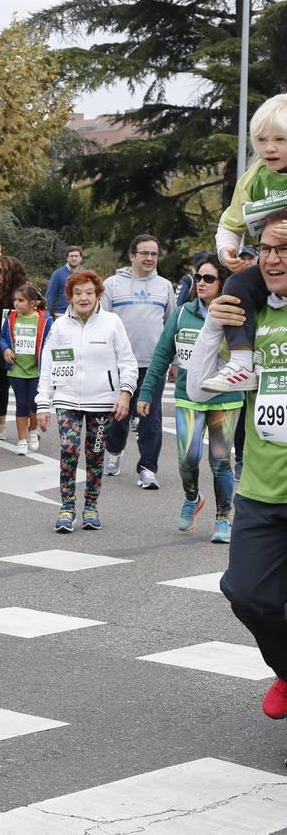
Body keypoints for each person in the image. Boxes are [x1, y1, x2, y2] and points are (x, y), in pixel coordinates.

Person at [186, 215, 287, 723]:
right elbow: (198, 383)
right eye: (267, 248)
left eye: (284, 250)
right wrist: (212, 321)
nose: (272, 258)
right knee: (245, 594)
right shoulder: (251, 311)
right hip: (262, 491)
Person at [137, 256, 241, 542]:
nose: (201, 283)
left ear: (222, 283)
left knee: (220, 461)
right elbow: (161, 354)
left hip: (226, 398)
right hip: (188, 397)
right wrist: (146, 392)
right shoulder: (183, 313)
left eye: (209, 278)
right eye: (198, 278)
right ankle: (193, 498)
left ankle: (223, 517)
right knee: (187, 458)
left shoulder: (234, 313)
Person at [37, 270, 137, 532]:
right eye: (78, 292)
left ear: (98, 295)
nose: (84, 298)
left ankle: (91, 506)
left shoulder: (112, 323)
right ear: (69, 296)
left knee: (95, 454)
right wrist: (43, 404)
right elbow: (47, 366)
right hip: (67, 400)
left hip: (102, 403)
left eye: (89, 292)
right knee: (68, 451)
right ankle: (66, 507)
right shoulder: (59, 326)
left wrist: (125, 392)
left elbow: (127, 362)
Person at [201, 93, 287, 394]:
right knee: (236, 286)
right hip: (275, 267)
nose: (269, 148)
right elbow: (229, 224)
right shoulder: (253, 179)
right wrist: (227, 253)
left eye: (280, 140)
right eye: (261, 140)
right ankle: (240, 362)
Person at [101, 234, 176, 485]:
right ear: (132, 255)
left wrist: (174, 362)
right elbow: (102, 323)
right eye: (144, 253)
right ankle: (113, 451)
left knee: (150, 417)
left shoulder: (165, 286)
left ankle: (147, 468)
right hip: (119, 364)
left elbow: (171, 326)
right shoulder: (112, 284)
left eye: (154, 254)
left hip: (154, 364)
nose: (150, 258)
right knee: (118, 415)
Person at [0, 283, 52, 455]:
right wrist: (6, 349)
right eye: (15, 300)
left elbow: (52, 342)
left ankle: (32, 431)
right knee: (21, 404)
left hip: (37, 369)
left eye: (21, 300)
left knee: (33, 404)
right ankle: (22, 440)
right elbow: (3, 338)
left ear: (33, 303)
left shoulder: (45, 320)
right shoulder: (11, 318)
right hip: (17, 369)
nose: (16, 303)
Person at [0, 256, 27, 438]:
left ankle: (27, 424)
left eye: (1, 271)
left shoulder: (27, 291)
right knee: (1, 385)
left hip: (23, 342)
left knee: (23, 386)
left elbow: (41, 312)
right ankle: (1, 423)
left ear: (11, 273)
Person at [46, 246, 85, 317]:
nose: (74, 258)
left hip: (82, 314)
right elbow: (51, 294)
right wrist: (48, 314)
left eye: (76, 256)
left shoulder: (86, 274)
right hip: (61, 314)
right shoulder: (57, 274)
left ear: (81, 258)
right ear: (67, 258)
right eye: (71, 256)